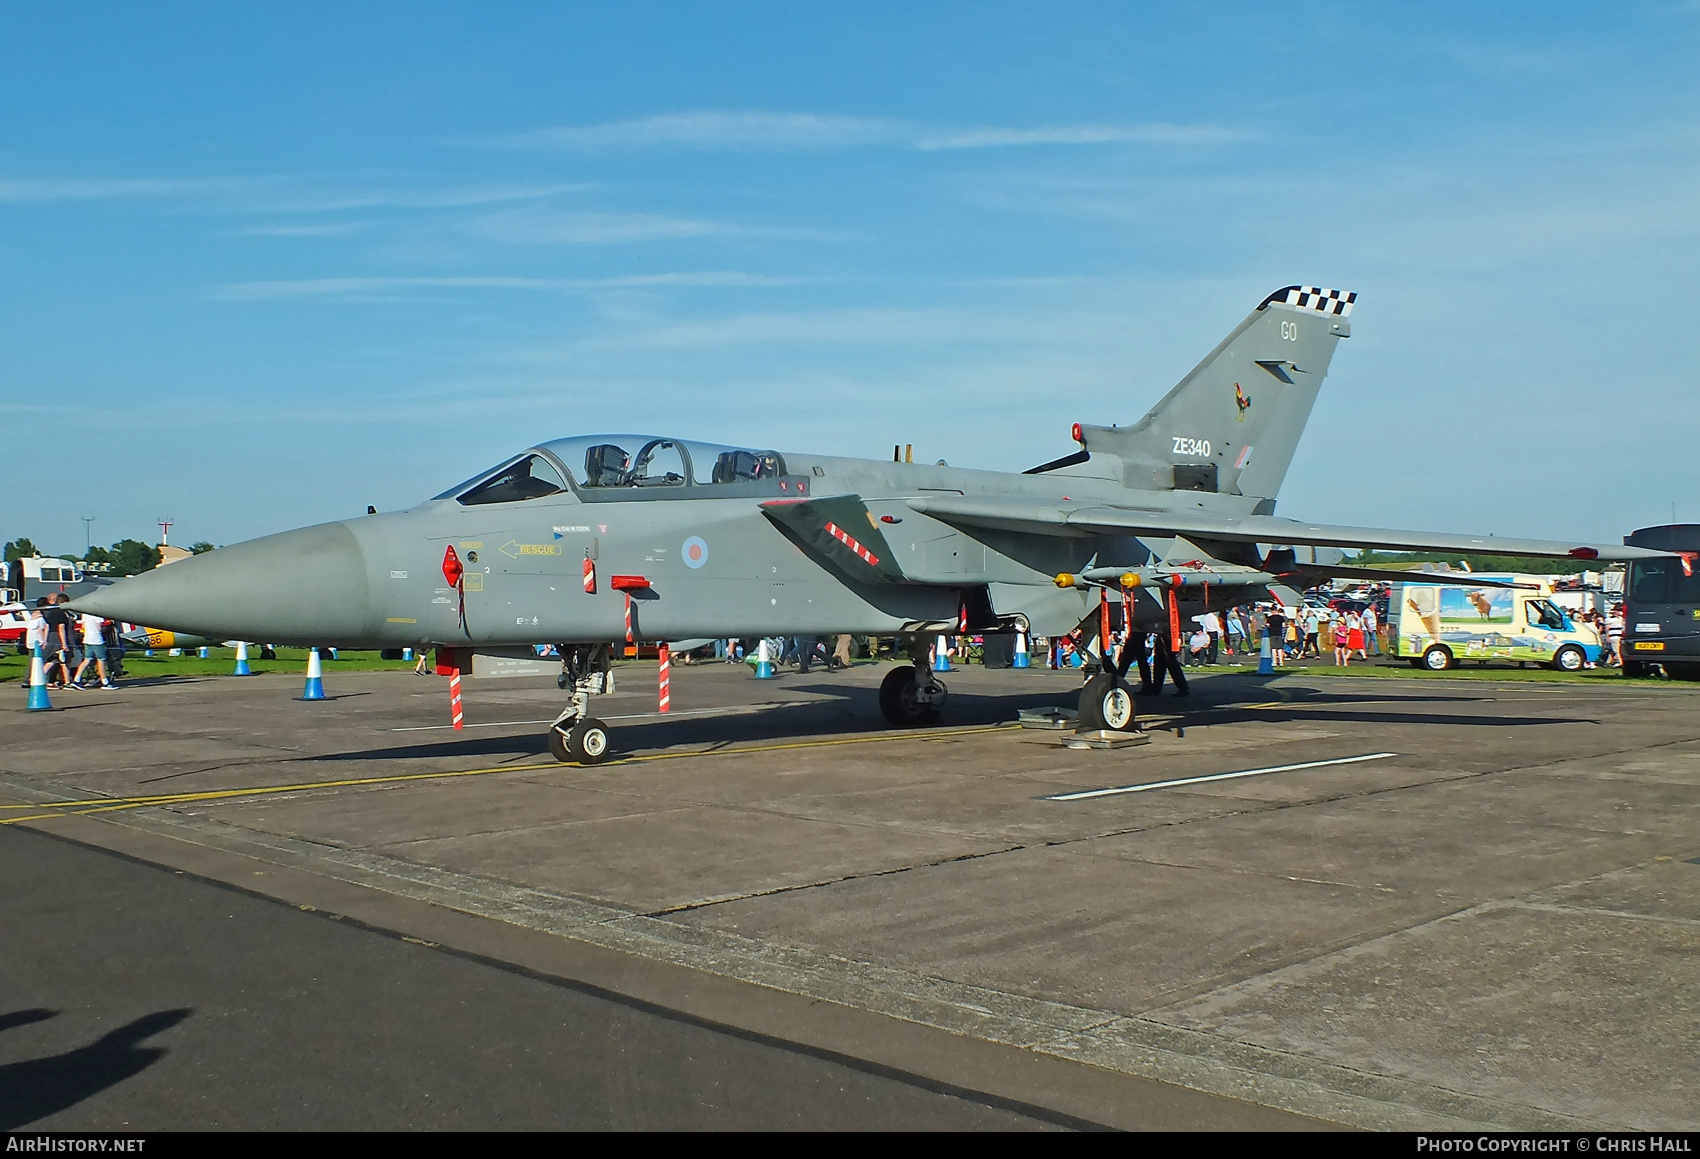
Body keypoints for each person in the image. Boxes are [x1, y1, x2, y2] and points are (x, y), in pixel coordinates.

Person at [71, 611, 113, 689]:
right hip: (96, 639)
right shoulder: (97, 615)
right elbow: (99, 628)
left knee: (87, 659)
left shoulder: (85, 614)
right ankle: (104, 681)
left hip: (87, 639)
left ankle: (76, 679)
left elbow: (83, 626)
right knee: (101, 660)